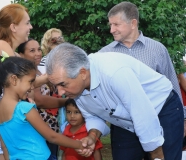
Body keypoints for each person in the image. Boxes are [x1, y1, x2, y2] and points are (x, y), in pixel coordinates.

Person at [45, 43, 184, 160]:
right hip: (124, 120)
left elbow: (142, 114)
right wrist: (92, 136)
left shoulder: (114, 72)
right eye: (55, 86)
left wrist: (156, 154)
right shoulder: (77, 89)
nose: (60, 92)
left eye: (63, 84)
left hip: (161, 110)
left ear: (82, 73)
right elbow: (93, 115)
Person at [0, 55, 86, 159]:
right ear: (14, 79)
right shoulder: (24, 108)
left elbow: (4, 146)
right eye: (31, 81)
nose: (32, 87)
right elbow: (52, 137)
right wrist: (79, 145)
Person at [0, 3, 45, 160]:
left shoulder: (14, 54)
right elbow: (23, 83)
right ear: (13, 27)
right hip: (3, 122)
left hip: (10, 121)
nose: (30, 27)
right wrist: (50, 77)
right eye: (27, 22)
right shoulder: (1, 46)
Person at [98, 1, 183, 110]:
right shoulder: (105, 54)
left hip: (160, 117)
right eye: (110, 25)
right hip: (123, 123)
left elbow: (172, 85)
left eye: (116, 24)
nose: (112, 30)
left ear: (133, 23)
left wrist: (182, 117)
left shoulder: (157, 49)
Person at [18, 38, 67, 159]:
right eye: (32, 50)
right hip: (39, 130)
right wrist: (67, 102)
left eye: (39, 49)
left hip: (51, 127)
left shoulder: (39, 70)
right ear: (21, 54)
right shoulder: (25, 73)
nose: (38, 53)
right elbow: (39, 101)